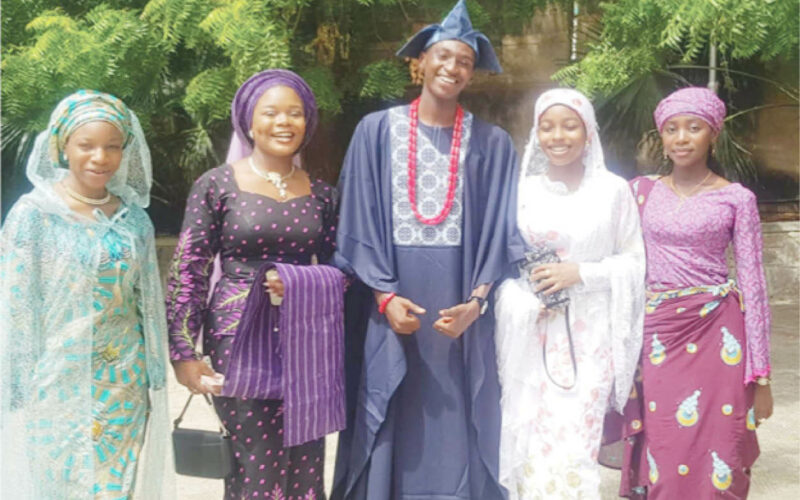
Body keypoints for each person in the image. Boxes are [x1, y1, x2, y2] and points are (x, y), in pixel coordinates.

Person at [331, 1, 524, 499]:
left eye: (463, 60)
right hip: (393, 300)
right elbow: (356, 221)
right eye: (443, 56)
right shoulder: (375, 132)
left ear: (472, 71)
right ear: (419, 62)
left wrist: (477, 303)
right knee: (392, 411)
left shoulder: (493, 143)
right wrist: (383, 296)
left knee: (459, 416)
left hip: (459, 307)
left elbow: (503, 233)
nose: (452, 67)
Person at [166, 69, 343, 500]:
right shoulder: (216, 185)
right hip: (238, 344)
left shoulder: (323, 195)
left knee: (305, 460)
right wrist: (184, 353)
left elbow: (347, 268)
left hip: (306, 340)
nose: (284, 122)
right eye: (271, 112)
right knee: (252, 465)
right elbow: (189, 269)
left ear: (308, 123)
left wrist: (302, 283)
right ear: (249, 122)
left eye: (295, 114)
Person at [0, 90, 173, 499]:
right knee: (58, 486)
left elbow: (147, 305)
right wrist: (16, 387)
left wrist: (154, 380)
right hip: (55, 381)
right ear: (63, 146)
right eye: (87, 145)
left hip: (123, 384)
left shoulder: (134, 221)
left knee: (114, 488)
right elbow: (14, 308)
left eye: (113, 146)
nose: (101, 157)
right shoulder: (34, 215)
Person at [621, 86, 773, 498]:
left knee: (720, 449)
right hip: (659, 336)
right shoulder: (639, 192)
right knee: (665, 446)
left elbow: (754, 287)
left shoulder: (736, 198)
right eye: (672, 129)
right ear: (661, 137)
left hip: (719, 337)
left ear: (713, 135)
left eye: (694, 127)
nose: (682, 137)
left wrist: (760, 376)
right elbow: (618, 261)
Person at [493, 88, 645, 499]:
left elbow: (634, 263)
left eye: (569, 125)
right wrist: (521, 301)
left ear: (588, 132)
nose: (557, 136)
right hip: (531, 333)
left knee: (575, 446)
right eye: (547, 126)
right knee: (528, 440)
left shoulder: (613, 191)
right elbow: (499, 264)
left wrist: (581, 273)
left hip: (590, 337)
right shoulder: (521, 191)